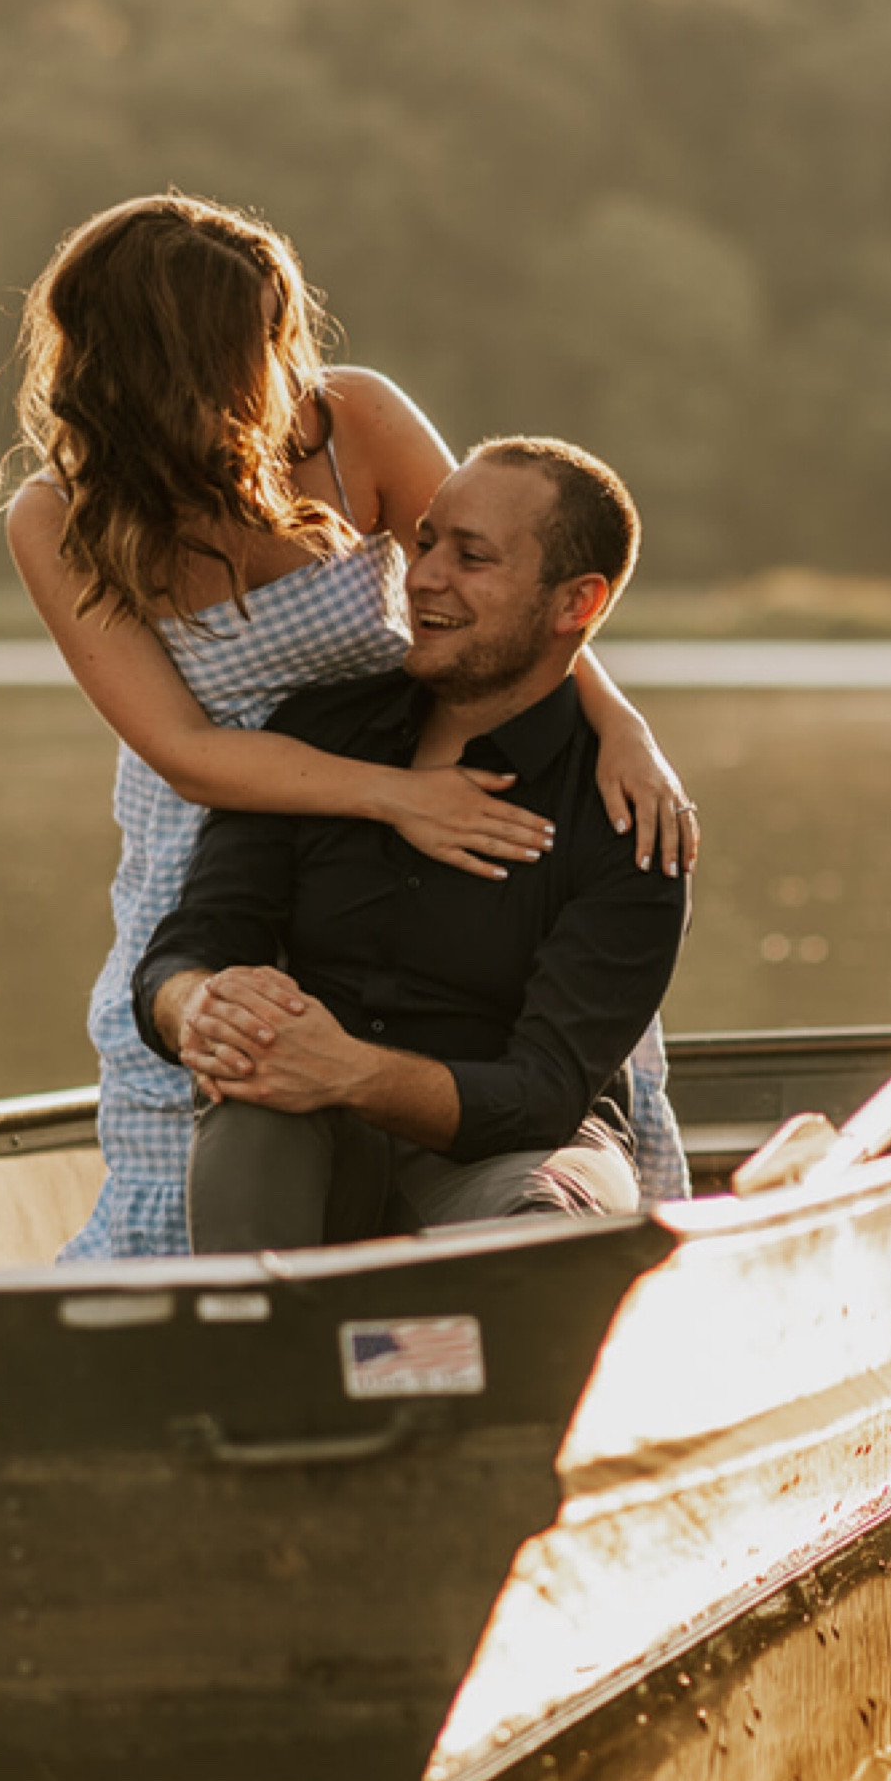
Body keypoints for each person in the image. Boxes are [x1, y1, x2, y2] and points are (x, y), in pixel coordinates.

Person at [4, 191, 697, 1258]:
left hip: (433, 745)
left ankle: (514, 1248)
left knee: (524, 1070)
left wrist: (621, 726)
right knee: (223, 1081)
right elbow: (186, 752)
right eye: (258, 338)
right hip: (242, 803)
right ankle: (233, 1314)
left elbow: (520, 590)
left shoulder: (347, 421)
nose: (286, 360)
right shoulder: (61, 516)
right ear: (171, 359)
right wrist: (395, 799)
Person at [133, 438, 689, 1249]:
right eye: (424, 543)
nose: (423, 575)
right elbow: (191, 945)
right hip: (313, 1140)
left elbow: (542, 1095)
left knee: (542, 1218)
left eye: (472, 557)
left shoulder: (629, 816)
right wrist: (199, 1007)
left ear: (576, 602)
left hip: (514, 1156)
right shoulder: (315, 734)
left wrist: (348, 1069)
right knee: (251, 1090)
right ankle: (254, 1331)